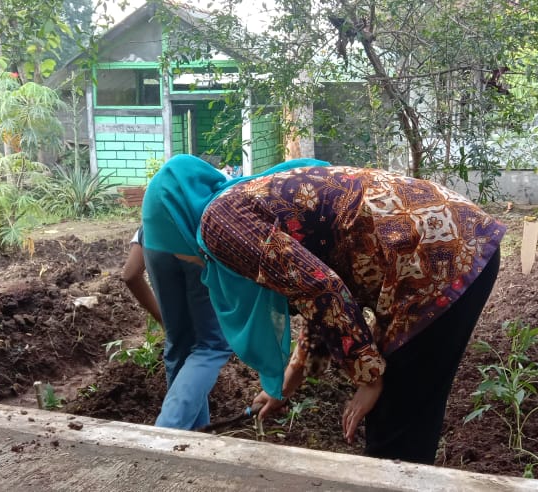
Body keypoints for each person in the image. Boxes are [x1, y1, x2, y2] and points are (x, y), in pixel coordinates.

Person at [142, 154, 505, 464]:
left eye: (170, 249)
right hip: (449, 239)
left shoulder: (219, 224)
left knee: (398, 411)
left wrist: (368, 377)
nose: (181, 260)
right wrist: (293, 375)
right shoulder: (239, 202)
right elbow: (315, 285)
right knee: (403, 406)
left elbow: (320, 288)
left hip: (436, 256)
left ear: (175, 228)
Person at [122, 225, 233, 430]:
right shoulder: (199, 205)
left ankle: (196, 442)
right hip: (198, 237)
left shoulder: (152, 217)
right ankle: (166, 434)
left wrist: (165, 322)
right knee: (212, 347)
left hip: (156, 238)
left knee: (180, 349)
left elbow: (130, 274)